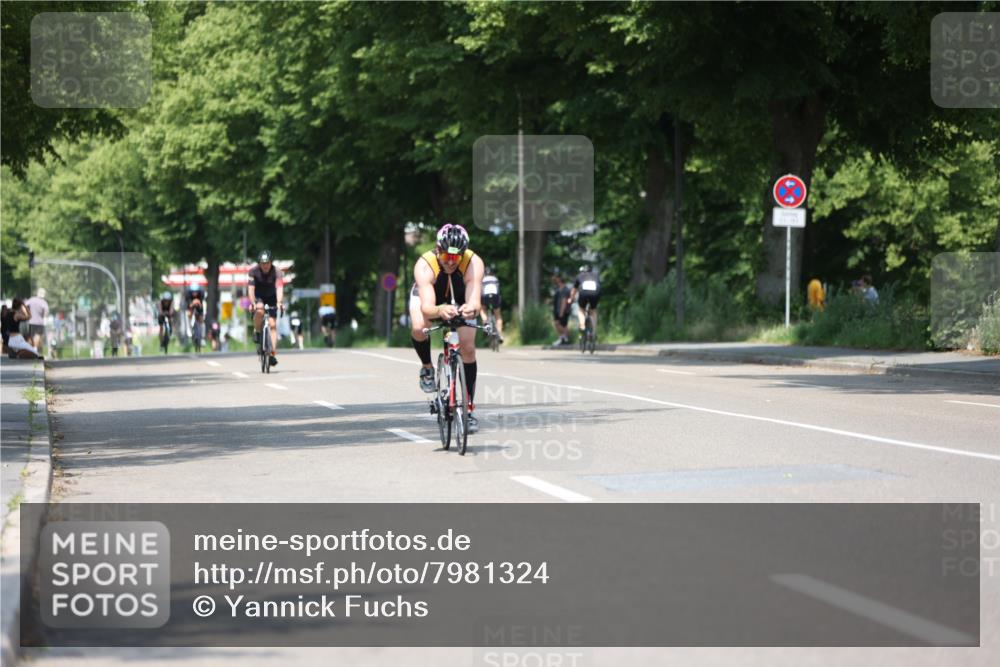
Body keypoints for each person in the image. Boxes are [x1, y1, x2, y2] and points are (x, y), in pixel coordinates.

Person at [408, 223, 484, 433]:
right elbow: (427, 308)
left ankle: (468, 409)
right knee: (419, 327)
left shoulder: (474, 262)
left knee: (468, 348)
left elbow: (475, 302)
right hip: (430, 297)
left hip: (459, 296)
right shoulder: (425, 264)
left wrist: (470, 309)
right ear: (437, 249)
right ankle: (427, 367)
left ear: (463, 254)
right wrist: (440, 310)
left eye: (456, 258)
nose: (450, 262)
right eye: (446, 256)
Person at [247, 249, 284, 366]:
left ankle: (272, 353)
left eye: (267, 263)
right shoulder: (253, 272)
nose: (265, 265)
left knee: (272, 324)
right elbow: (251, 289)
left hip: (272, 297)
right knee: (259, 309)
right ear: (259, 264)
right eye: (263, 263)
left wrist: (279, 302)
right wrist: (252, 302)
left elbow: (279, 288)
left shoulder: (277, 272)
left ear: (271, 262)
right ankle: (257, 331)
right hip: (259, 297)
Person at [569, 264, 601, 338]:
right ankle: (593, 331)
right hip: (595, 293)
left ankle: (582, 326)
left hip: (584, 293)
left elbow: (574, 290)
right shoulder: (596, 275)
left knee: (581, 309)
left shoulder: (580, 276)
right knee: (593, 310)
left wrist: (571, 298)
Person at [480, 265, 504, 343]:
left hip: (485, 297)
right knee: (498, 316)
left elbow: (480, 290)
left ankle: (485, 323)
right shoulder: (495, 279)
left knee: (482, 309)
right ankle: (500, 334)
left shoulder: (482, 279)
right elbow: (499, 290)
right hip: (495, 297)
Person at [25, 288, 49, 356]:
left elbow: (25, 305)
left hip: (31, 321)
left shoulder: (32, 299)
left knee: (31, 336)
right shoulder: (44, 302)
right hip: (39, 322)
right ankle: (35, 349)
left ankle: (31, 350)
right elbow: (46, 313)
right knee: (38, 336)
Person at [551, 273, 571, 346]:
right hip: (558, 310)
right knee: (561, 325)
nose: (554, 281)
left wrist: (561, 312)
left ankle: (565, 337)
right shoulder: (558, 289)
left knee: (560, 324)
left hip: (563, 310)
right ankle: (563, 338)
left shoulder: (565, 289)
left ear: (559, 280)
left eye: (555, 279)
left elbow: (564, 301)